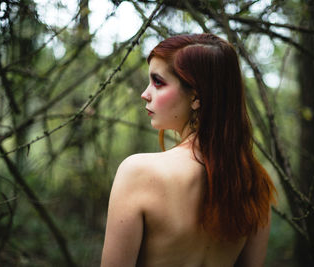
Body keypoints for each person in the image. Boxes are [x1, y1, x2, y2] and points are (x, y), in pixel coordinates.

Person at [101, 33, 276, 267]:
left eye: (158, 82)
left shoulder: (137, 173)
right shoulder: (255, 184)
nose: (145, 93)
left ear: (195, 97)